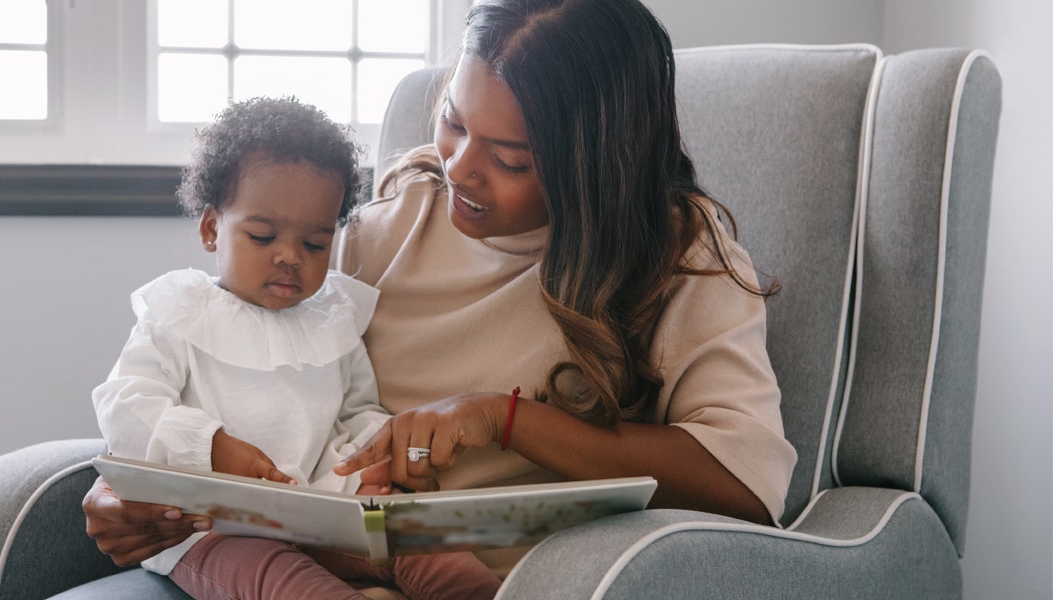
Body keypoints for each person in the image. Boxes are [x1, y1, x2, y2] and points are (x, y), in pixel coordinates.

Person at [83, 0, 798, 593]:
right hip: (310, 551)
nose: (459, 167)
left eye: (510, 158)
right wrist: (136, 492)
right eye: (454, 122)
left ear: (596, 164)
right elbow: (239, 378)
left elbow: (743, 485)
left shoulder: (676, 253)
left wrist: (502, 419)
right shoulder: (397, 213)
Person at [91, 96, 503, 600]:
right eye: (263, 236)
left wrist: (372, 462)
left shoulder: (332, 317)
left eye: (315, 244)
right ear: (210, 228)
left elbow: (358, 412)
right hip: (212, 531)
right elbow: (126, 406)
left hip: (324, 511)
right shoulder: (177, 313)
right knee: (290, 585)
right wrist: (212, 448)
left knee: (433, 549)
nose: (289, 256)